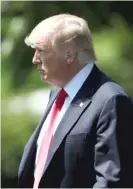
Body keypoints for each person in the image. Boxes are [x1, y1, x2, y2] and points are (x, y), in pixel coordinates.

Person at [18, 13, 133, 188]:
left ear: (69, 56)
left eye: (41, 50)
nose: (35, 59)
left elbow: (112, 182)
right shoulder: (57, 94)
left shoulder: (111, 100)